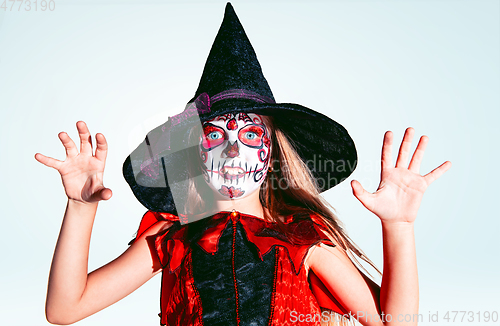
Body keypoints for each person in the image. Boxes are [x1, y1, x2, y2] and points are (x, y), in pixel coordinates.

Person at [35, 3, 451, 326]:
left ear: (272, 152)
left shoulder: (302, 238)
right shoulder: (172, 238)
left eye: (250, 135)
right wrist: (81, 208)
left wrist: (399, 228)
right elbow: (64, 309)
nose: (233, 151)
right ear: (192, 151)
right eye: (215, 135)